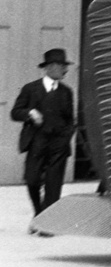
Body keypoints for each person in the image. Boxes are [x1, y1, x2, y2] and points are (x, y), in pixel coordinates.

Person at [11, 48, 76, 228]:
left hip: (58, 144)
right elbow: (15, 112)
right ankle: (39, 213)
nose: (65, 70)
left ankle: (46, 224)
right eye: (62, 66)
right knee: (32, 180)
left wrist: (65, 139)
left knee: (53, 185)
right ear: (50, 67)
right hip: (36, 142)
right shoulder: (30, 89)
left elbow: (71, 120)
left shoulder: (66, 92)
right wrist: (30, 112)